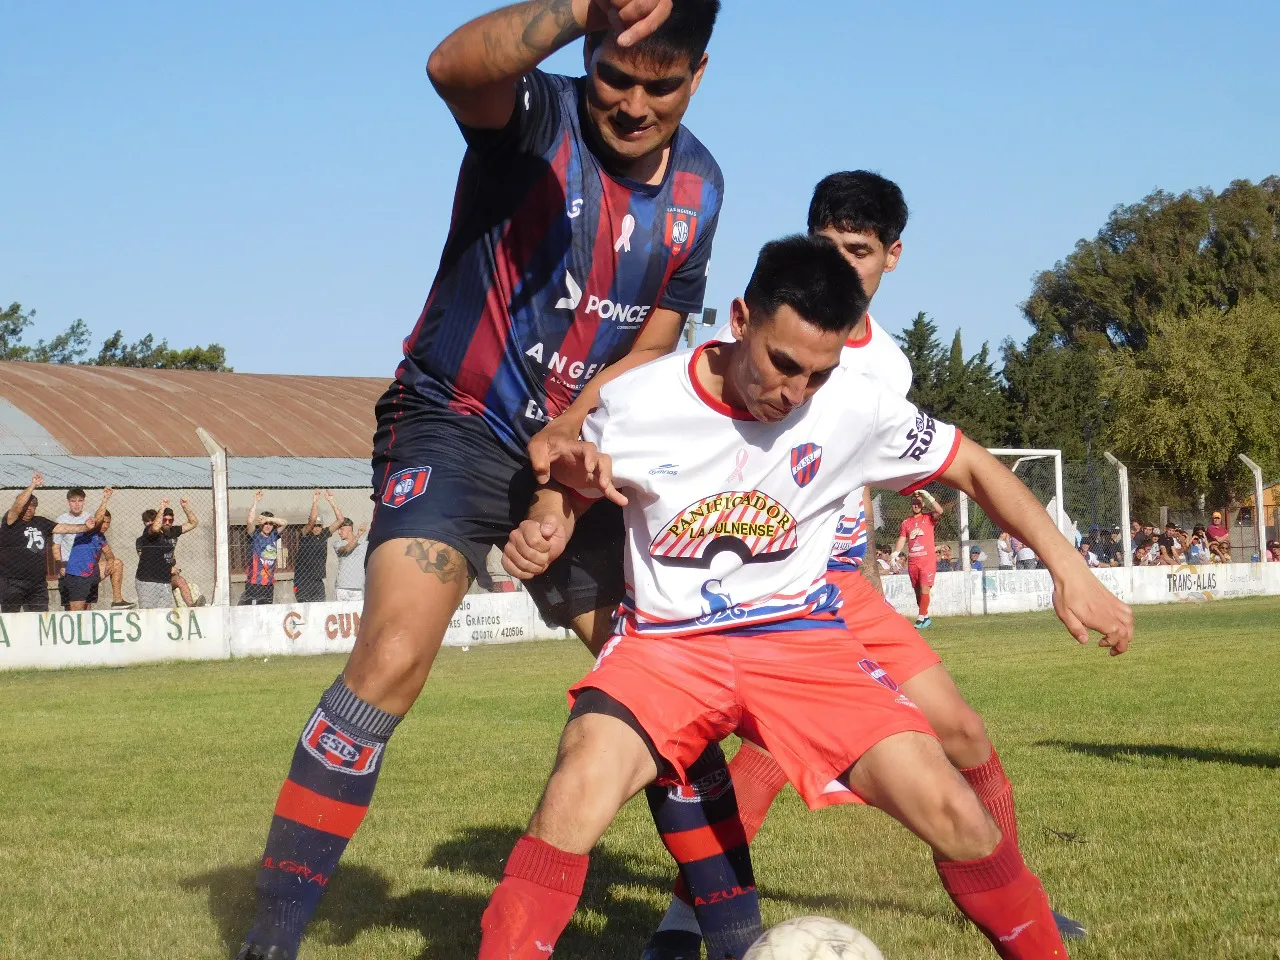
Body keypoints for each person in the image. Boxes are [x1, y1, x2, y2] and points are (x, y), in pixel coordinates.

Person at [486, 234, 1133, 960]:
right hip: (667, 650)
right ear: (739, 320)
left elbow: (976, 468)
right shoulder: (638, 401)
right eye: (783, 364)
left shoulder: (856, 406)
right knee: (576, 784)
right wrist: (546, 524)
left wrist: (1070, 569)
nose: (794, 393)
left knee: (954, 810)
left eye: (817, 375)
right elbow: (569, 489)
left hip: (802, 643)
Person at [235, 3, 725, 958]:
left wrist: (564, 475)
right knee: (389, 663)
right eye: (613, 74)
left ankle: (727, 932)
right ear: (589, 56)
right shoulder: (537, 116)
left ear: (698, 76)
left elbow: (657, 350)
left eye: (659, 85)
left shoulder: (702, 188)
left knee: (665, 686)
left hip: (573, 452)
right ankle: (272, 939)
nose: (630, 104)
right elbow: (452, 67)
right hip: (455, 420)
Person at [639, 173, 1083, 956]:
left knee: (966, 734)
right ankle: (683, 924)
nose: (842, 264)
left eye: (859, 250)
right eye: (827, 246)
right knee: (768, 762)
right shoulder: (771, 341)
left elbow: (865, 478)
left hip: (846, 586)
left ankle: (1027, 902)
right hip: (779, 595)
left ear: (892, 257)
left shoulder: (889, 369)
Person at [0, 474, 97, 613]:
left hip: (37, 583)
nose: (29, 508)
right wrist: (32, 485)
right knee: (10, 619)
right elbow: (17, 506)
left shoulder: (41, 521)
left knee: (40, 620)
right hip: (13, 582)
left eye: (32, 506)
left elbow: (63, 528)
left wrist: (85, 527)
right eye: (26, 505)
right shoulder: (11, 521)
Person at [890, 489, 945, 628]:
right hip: (913, 562)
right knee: (917, 591)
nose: (916, 505)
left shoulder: (929, 518)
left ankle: (920, 618)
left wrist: (928, 495)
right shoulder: (906, 522)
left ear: (923, 504)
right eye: (914, 503)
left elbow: (940, 511)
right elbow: (902, 539)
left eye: (919, 503)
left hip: (927, 561)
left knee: (925, 588)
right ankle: (925, 617)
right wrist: (895, 553)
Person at [63, 508, 133, 610]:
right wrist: (105, 499)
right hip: (77, 574)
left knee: (117, 564)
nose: (105, 525)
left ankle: (117, 601)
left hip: (92, 572)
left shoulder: (101, 537)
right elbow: (97, 518)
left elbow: (108, 553)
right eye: (103, 522)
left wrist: (110, 560)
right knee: (77, 613)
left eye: (108, 523)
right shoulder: (88, 530)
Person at [294, 490, 345, 603]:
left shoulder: (323, 534)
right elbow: (312, 520)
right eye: (314, 526)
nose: (316, 528)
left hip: (318, 581)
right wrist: (315, 501)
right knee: (304, 609)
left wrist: (332, 501)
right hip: (303, 581)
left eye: (319, 526)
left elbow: (340, 520)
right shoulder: (305, 534)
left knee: (320, 608)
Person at [240, 491, 285, 606]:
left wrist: (268, 519)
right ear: (261, 524)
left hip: (269, 584)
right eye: (265, 523)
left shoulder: (274, 535)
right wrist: (255, 502)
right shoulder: (255, 535)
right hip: (255, 583)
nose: (268, 526)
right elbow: (249, 521)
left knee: (267, 612)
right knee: (254, 612)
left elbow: (285, 523)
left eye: (270, 523)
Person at [54, 487, 92, 609]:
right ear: (68, 502)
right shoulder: (61, 520)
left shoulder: (89, 518)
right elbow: (56, 546)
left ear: (84, 501)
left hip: (86, 568)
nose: (76, 504)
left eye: (80, 501)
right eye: (73, 501)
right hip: (69, 569)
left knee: (87, 606)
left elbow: (95, 544)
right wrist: (61, 565)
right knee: (70, 609)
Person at [333, 519, 369, 602]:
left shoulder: (364, 543)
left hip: (358, 588)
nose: (339, 532)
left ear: (349, 528)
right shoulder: (338, 543)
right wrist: (358, 535)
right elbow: (346, 549)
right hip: (342, 588)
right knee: (341, 614)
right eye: (338, 529)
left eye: (341, 529)